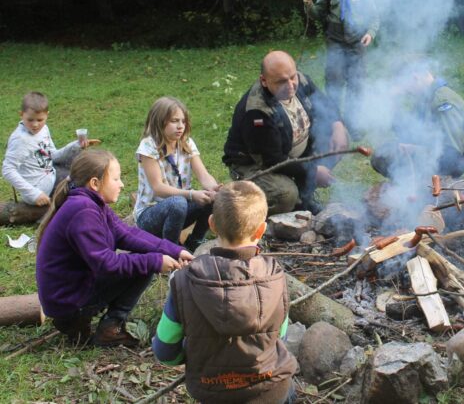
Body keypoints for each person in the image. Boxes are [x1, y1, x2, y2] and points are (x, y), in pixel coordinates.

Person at [152, 181, 298, 404]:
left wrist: (193, 354)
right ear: (261, 229)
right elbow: (280, 336)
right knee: (288, 392)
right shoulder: (276, 277)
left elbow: (165, 351)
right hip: (270, 391)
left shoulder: (183, 281)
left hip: (212, 391)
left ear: (212, 224)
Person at [36, 149, 191, 346]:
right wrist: (156, 261)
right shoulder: (82, 211)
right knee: (145, 264)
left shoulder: (91, 203)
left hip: (71, 294)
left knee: (145, 258)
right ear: (95, 183)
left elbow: (127, 234)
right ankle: (109, 326)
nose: (122, 184)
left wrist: (173, 250)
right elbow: (106, 264)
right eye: (116, 179)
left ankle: (103, 324)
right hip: (68, 304)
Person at [223, 51, 349, 215]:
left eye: (292, 77)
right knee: (286, 195)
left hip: (292, 151)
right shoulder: (257, 112)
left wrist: (337, 124)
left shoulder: (300, 80)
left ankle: (305, 197)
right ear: (264, 81)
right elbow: (273, 160)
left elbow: (324, 104)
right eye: (282, 81)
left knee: (340, 137)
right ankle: (253, 210)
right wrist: (313, 171)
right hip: (255, 164)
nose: (291, 85)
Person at [303, 0, 379, 133]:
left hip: (357, 42)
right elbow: (317, 14)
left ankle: (354, 125)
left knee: (357, 84)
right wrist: (308, 5)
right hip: (335, 41)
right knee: (334, 82)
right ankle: (334, 124)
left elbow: (374, 16)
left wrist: (371, 33)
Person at [134, 97, 220, 252]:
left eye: (183, 121)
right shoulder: (148, 146)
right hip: (150, 215)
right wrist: (192, 194)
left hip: (180, 209)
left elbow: (203, 176)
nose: (180, 126)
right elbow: (158, 188)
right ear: (159, 121)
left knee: (210, 198)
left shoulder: (186, 142)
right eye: (174, 121)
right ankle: (172, 251)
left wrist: (214, 189)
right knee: (178, 203)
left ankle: (195, 243)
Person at [371, 65, 464, 180]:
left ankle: (420, 188)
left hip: (454, 163)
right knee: (382, 154)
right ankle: (412, 187)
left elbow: (452, 153)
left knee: (386, 157)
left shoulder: (442, 100)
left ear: (414, 77)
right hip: (434, 153)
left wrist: (415, 149)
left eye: (406, 87)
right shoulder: (425, 97)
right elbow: (408, 133)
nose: (406, 92)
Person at [3, 91, 99, 206]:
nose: (35, 125)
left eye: (39, 120)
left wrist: (77, 145)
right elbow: (7, 170)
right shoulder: (20, 140)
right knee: (80, 181)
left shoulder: (43, 130)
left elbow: (53, 155)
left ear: (47, 115)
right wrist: (34, 194)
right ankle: (81, 206)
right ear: (21, 114)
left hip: (49, 174)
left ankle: (81, 201)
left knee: (81, 166)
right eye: (30, 120)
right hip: (38, 187)